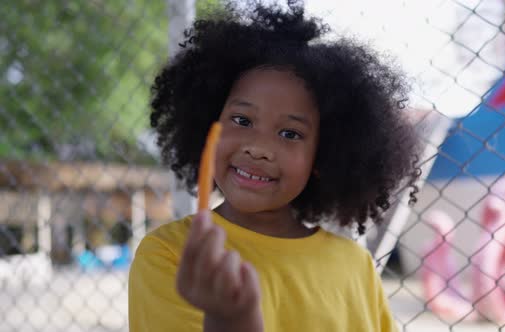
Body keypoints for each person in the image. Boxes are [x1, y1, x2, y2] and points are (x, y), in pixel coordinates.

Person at [128, 1, 421, 331]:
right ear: (207, 125)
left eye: (290, 133)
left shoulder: (357, 266)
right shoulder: (172, 255)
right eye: (242, 120)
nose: (258, 148)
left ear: (324, 157)